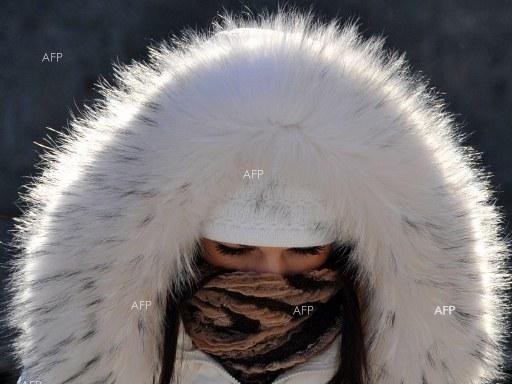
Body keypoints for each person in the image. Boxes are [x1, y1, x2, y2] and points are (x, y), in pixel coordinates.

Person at [9, 8, 510, 384]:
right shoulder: (131, 354)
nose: (270, 277)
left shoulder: (377, 354)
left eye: (304, 250)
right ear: (181, 239)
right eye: (233, 248)